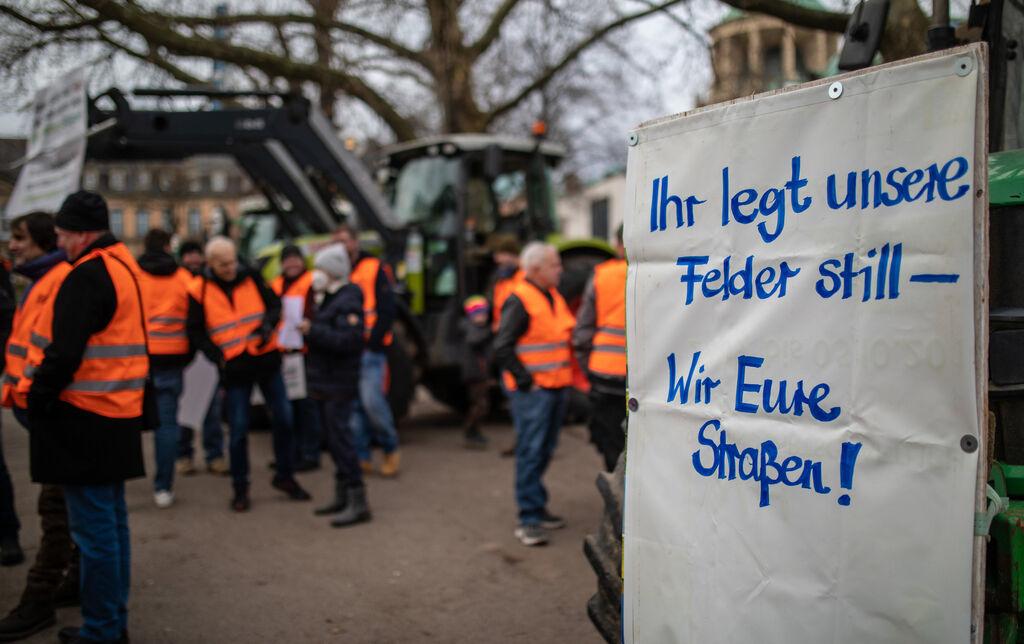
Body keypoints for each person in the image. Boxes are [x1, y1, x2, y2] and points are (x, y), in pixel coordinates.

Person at [25, 191, 147, 643]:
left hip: (84, 419)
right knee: (112, 528)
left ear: (79, 233)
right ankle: (111, 621)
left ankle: (103, 630)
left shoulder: (86, 275)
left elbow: (63, 353)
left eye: (61, 234)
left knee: (96, 535)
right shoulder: (123, 268)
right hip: (118, 415)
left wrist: (37, 398)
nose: (58, 243)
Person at [186, 236, 310, 512]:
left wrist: (268, 324)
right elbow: (195, 331)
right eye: (224, 264)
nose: (231, 268)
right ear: (211, 264)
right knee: (239, 430)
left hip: (266, 359)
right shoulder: (199, 290)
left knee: (285, 419)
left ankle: (285, 476)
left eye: (233, 261)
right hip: (235, 369)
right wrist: (216, 356)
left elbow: (275, 305)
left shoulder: (251, 276)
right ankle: (240, 488)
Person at [0, 211, 77, 643]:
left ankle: (40, 600)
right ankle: (72, 581)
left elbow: (56, 355)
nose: (12, 244)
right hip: (42, 411)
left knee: (56, 508)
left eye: (19, 237)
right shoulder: (41, 281)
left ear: (46, 240)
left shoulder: (57, 281)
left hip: (54, 414)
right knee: (66, 507)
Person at [494, 242, 575, 547]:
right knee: (530, 451)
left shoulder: (552, 295)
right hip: (534, 393)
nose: (561, 270)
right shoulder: (520, 299)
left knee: (544, 449)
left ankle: (537, 507)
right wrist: (526, 382)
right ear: (537, 269)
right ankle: (528, 518)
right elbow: (502, 347)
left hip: (555, 387)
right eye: (555, 265)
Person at [302, 244, 371, 527]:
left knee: (341, 439)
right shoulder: (331, 298)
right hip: (327, 380)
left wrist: (313, 331)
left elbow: (348, 341)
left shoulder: (348, 299)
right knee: (333, 438)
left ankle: (358, 500)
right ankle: (343, 495)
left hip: (338, 381)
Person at [333, 224, 401, 477]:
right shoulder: (338, 272)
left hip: (370, 349)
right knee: (354, 407)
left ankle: (390, 447)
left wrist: (373, 341)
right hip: (347, 349)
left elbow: (386, 308)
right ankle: (362, 456)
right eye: (336, 242)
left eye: (345, 241)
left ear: (355, 243)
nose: (341, 247)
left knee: (372, 403)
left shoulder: (374, 268)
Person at [138, 228, 194, 508]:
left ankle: (118, 479)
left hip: (136, 358)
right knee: (167, 425)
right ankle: (162, 486)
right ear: (169, 247)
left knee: (124, 422)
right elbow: (196, 318)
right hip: (172, 358)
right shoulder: (183, 277)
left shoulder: (134, 276)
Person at [573, 226, 627, 472]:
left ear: (617, 245)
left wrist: (590, 369)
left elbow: (582, 333)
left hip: (606, 377)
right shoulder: (668, 272)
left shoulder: (602, 275)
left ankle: (618, 502)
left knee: (613, 444)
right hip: (647, 380)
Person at [175, 240, 228, 477]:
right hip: (184, 355)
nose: (194, 259)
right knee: (186, 410)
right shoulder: (178, 281)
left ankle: (214, 455)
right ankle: (184, 455)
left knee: (211, 409)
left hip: (207, 354)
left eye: (197, 254)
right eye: (189, 255)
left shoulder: (208, 283)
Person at [270, 244, 320, 472]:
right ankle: (289, 455)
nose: (292, 264)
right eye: (287, 260)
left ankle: (309, 453)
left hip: (304, 352)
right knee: (286, 407)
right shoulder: (275, 285)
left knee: (305, 407)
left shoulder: (313, 282)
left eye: (295, 259)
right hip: (282, 352)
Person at [459, 295, 492, 449]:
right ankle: (470, 430)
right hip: (474, 374)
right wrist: (490, 331)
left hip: (480, 373)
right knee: (480, 404)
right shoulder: (471, 328)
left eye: (484, 314)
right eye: (479, 314)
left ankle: (475, 431)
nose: (482, 317)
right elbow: (474, 340)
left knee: (481, 404)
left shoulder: (477, 328)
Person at [489, 236, 524, 333]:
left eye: (500, 254)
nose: (496, 259)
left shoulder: (526, 278)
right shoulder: (501, 279)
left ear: (513, 254)